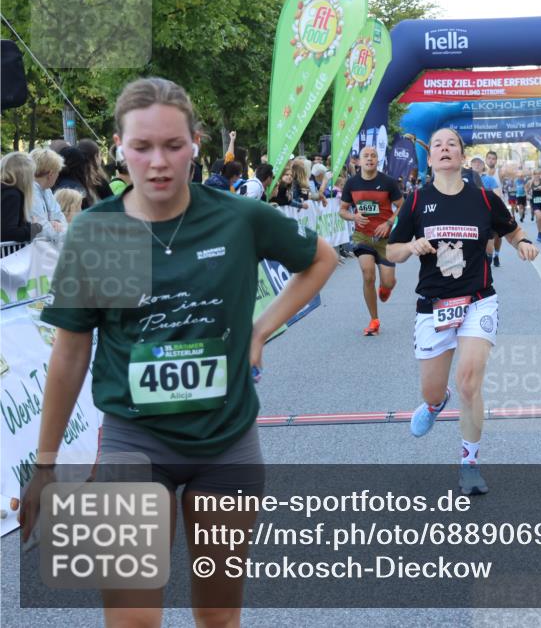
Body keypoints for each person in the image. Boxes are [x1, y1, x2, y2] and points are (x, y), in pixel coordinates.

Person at [18, 77, 336, 625]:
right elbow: (72, 351)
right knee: (134, 619)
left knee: (216, 617)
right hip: (135, 442)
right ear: (120, 149)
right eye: (142, 147)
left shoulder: (235, 218)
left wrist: (259, 332)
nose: (159, 162)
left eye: (173, 145)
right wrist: (45, 464)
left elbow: (320, 259)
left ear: (196, 144)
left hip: (226, 445)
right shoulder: (104, 232)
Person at [386, 127, 538, 495]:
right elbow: (390, 252)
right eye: (437, 144)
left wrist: (524, 243)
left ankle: (469, 461)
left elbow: (513, 230)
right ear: (431, 156)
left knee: (469, 382)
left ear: (460, 153)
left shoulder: (484, 199)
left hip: (478, 300)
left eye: (451, 144)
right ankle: (437, 405)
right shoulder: (417, 200)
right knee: (432, 391)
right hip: (433, 305)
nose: (443, 149)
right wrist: (411, 245)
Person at [340, 145, 403, 336]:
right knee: (368, 275)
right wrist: (354, 217)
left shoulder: (389, 182)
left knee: (388, 282)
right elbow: (342, 210)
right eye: (366, 156)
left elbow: (402, 205)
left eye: (373, 156)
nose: (369, 159)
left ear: (378, 160)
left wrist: (390, 222)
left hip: (385, 238)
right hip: (363, 236)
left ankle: (386, 288)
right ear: (359, 161)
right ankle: (374, 320)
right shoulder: (351, 184)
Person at [1, 151, 42, 243]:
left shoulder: (6, 191)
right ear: (25, 174)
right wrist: (35, 228)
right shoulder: (11, 195)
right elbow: (8, 233)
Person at [29, 147, 68, 241]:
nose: (58, 176)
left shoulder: (47, 191)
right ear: (51, 174)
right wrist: (53, 224)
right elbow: (42, 230)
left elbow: (61, 218)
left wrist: (55, 224)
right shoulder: (30, 193)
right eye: (58, 172)